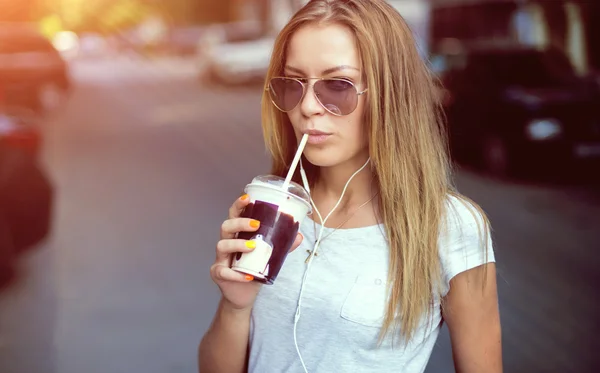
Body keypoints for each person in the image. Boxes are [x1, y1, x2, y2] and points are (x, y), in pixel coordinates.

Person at [198, 1, 502, 372]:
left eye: (337, 85)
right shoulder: (272, 213)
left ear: (391, 93)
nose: (308, 106)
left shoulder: (451, 227)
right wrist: (235, 305)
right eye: (293, 84)